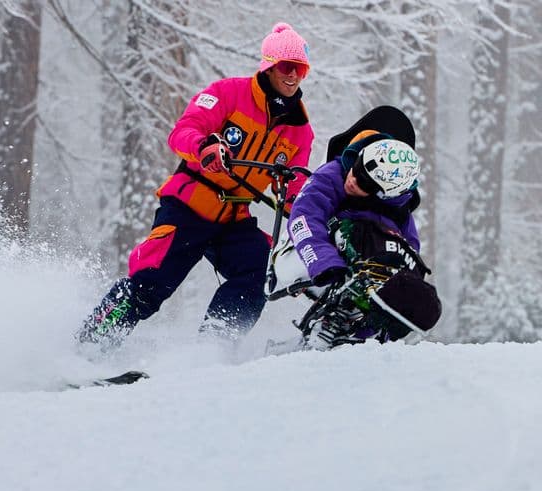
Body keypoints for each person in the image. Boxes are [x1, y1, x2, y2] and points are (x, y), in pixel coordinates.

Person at [76, 22, 315, 349]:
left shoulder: (301, 131)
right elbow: (183, 131)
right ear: (269, 66)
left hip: (233, 219)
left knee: (261, 268)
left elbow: (293, 189)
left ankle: (214, 348)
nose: (294, 76)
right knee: (151, 283)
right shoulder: (228, 93)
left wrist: (312, 214)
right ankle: (90, 346)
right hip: (188, 206)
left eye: (301, 69)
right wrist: (205, 147)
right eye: (288, 67)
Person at [274, 105, 441, 350]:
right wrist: (324, 261)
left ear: (384, 194)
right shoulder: (333, 174)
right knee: (354, 231)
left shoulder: (399, 214)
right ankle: (331, 325)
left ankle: (359, 335)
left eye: (364, 183)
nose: (352, 180)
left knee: (396, 262)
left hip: (360, 275)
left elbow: (409, 253)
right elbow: (304, 218)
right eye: (357, 169)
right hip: (304, 255)